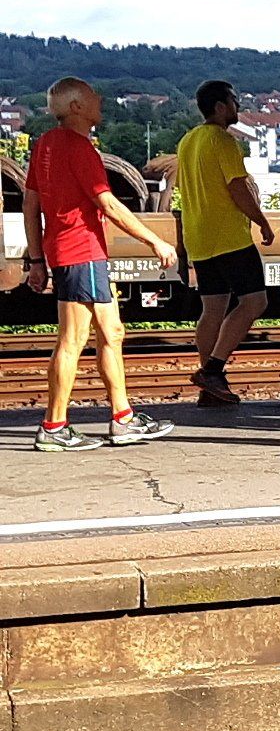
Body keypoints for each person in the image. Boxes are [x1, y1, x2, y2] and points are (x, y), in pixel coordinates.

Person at [22, 77, 177, 451]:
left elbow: (30, 204)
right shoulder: (80, 149)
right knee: (73, 339)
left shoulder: (44, 145)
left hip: (69, 251)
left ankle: (122, 419)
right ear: (76, 106)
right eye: (93, 96)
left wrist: (37, 259)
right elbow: (108, 204)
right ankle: (53, 426)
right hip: (81, 251)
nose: (100, 100)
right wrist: (154, 240)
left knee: (113, 332)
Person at [175, 79, 275, 406]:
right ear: (220, 107)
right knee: (254, 302)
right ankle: (213, 370)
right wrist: (261, 221)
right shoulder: (224, 141)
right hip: (229, 236)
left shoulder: (188, 141)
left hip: (198, 237)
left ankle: (211, 388)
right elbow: (238, 188)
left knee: (213, 309)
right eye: (233, 101)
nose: (238, 106)